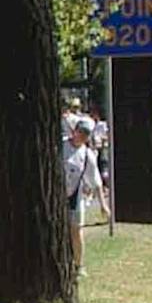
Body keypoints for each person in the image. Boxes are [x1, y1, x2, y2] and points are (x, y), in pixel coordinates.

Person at [64, 117, 102, 277]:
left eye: (86, 134)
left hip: (74, 196)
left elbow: (96, 181)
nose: (82, 136)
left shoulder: (87, 155)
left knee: (76, 230)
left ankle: (79, 265)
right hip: (57, 194)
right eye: (80, 132)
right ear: (74, 130)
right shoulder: (61, 144)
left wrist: (103, 205)